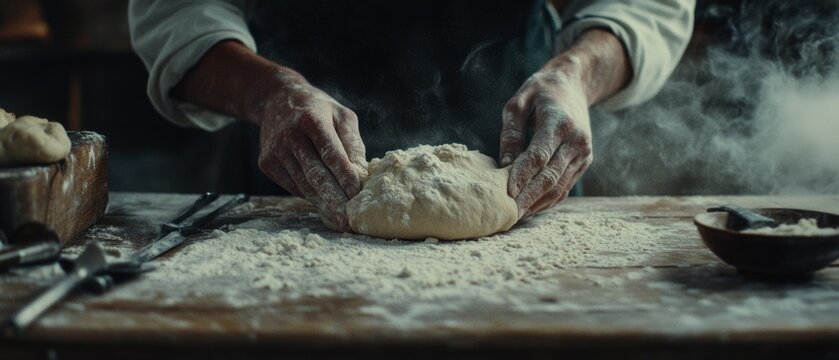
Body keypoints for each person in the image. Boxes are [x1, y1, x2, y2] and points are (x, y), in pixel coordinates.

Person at [129, 0, 694, 231]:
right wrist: (269, 93)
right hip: (293, 157)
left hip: (521, 133)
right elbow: (174, 12)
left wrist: (576, 74)